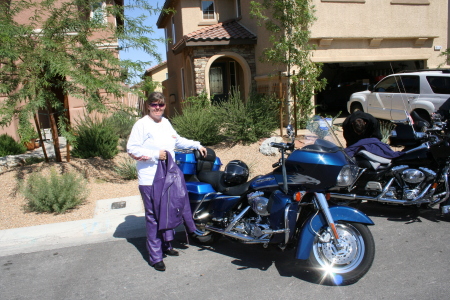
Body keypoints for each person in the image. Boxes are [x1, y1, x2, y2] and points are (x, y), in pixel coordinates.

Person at [127, 91, 207, 272]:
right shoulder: (141, 124)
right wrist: (155, 155)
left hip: (168, 176)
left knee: (168, 211)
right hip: (150, 178)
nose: (157, 108)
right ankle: (156, 257)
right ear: (148, 106)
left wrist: (196, 144)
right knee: (154, 217)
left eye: (161, 105)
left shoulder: (166, 122)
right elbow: (131, 149)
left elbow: (176, 141)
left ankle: (167, 245)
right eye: (154, 104)